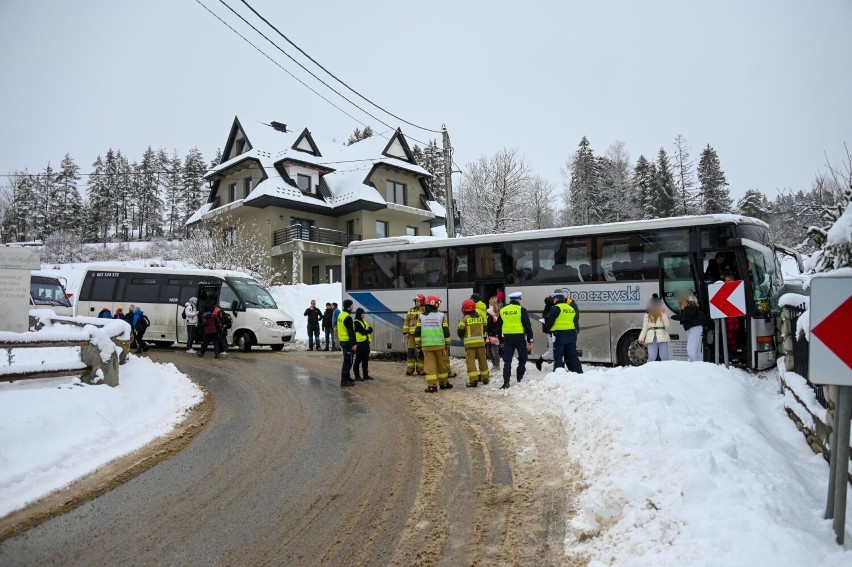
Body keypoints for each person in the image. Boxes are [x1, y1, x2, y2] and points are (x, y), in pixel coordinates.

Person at [414, 295, 452, 393]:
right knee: (442, 364)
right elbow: (446, 331)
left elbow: (417, 332)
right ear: (435, 304)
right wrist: (447, 343)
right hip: (440, 345)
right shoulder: (441, 316)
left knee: (430, 366)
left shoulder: (421, 316)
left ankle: (432, 386)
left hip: (427, 346)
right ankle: (444, 383)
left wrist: (418, 345)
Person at [497, 291, 534, 389]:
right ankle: (519, 376)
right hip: (519, 338)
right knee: (523, 357)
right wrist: (530, 340)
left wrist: (501, 340)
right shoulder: (521, 310)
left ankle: (506, 382)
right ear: (518, 300)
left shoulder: (503, 310)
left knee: (507, 360)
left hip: (507, 338)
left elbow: (499, 327)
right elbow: (527, 326)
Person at [546, 290, 583, 373]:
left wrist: (549, 329)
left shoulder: (556, 308)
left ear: (556, 299)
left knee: (558, 356)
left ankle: (558, 374)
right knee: (573, 355)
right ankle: (579, 372)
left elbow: (549, 321)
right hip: (571, 334)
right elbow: (575, 320)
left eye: (553, 299)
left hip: (559, 335)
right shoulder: (570, 307)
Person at [458, 298, 489, 387]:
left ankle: (473, 380)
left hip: (470, 345)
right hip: (481, 343)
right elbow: (485, 329)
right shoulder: (480, 317)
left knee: (470, 362)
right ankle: (485, 378)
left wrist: (462, 337)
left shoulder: (464, 319)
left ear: (464, 309)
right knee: (483, 360)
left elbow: (460, 332)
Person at [671, 294, 705, 362]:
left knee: (691, 348)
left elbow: (685, 316)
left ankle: (694, 365)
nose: (680, 306)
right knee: (695, 349)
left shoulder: (691, 307)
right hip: (695, 328)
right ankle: (698, 365)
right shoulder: (693, 306)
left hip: (694, 328)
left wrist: (672, 317)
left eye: (680, 303)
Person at [638, 294, 670, 362]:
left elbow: (667, 324)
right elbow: (645, 328)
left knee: (664, 357)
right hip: (651, 337)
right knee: (652, 357)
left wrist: (663, 314)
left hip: (662, 336)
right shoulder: (647, 314)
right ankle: (650, 371)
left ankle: (667, 371)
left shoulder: (662, 312)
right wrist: (641, 338)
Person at [402, 294, 426, 376]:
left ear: (422, 301)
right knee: (411, 352)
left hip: (421, 335)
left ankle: (420, 370)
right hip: (411, 336)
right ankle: (410, 369)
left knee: (420, 352)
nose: (416, 302)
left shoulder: (425, 310)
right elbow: (406, 321)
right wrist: (406, 332)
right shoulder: (411, 310)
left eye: (418, 301)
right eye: (416, 301)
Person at [534, 293, 556, 371]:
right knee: (552, 349)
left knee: (555, 348)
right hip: (551, 332)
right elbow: (548, 321)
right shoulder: (550, 308)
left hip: (551, 332)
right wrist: (550, 331)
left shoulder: (549, 307)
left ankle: (558, 366)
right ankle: (540, 361)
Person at [337, 299, 357, 387]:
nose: (353, 307)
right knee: (348, 361)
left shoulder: (341, 314)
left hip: (342, 340)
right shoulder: (347, 317)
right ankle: (344, 380)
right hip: (347, 341)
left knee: (348, 360)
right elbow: (351, 332)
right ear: (349, 306)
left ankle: (347, 378)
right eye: (352, 305)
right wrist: (354, 344)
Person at [353, 308, 373, 381]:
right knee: (358, 360)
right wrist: (367, 329)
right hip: (360, 343)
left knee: (365, 360)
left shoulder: (363, 322)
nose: (364, 315)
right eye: (363, 313)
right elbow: (362, 332)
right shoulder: (356, 322)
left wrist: (367, 329)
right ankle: (357, 376)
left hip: (366, 343)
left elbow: (371, 329)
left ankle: (365, 375)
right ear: (359, 314)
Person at [485, 296, 502, 371]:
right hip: (489, 335)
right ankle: (494, 364)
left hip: (495, 335)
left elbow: (497, 325)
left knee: (494, 352)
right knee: (489, 352)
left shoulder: (495, 314)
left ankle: (496, 365)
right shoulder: (489, 314)